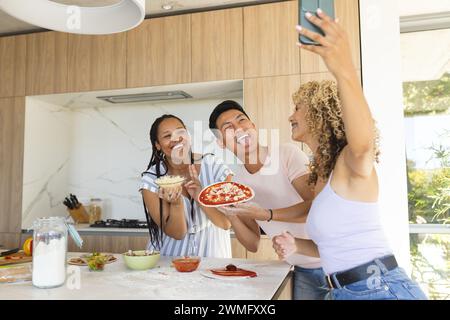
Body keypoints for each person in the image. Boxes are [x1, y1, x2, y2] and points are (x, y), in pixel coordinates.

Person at [272, 9, 427, 300]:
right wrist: (296, 245)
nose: (290, 115)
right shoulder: (323, 177)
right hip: (346, 292)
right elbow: (334, 246)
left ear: (319, 113)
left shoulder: (350, 160)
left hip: (380, 290)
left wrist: (342, 67)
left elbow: (364, 143)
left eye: (298, 107)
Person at [209, 101, 328, 300]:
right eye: (228, 128)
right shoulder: (238, 181)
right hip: (295, 269)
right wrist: (232, 215)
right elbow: (253, 243)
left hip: (327, 265)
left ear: (253, 126)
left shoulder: (286, 154)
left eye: (242, 120)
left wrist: (266, 215)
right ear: (221, 142)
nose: (239, 129)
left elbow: (316, 208)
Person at [139, 114, 233, 258]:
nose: (176, 139)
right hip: (169, 260)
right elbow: (177, 233)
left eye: (180, 132)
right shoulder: (152, 180)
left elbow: (226, 223)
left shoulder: (215, 167)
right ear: (157, 145)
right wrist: (176, 204)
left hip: (213, 258)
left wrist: (201, 196)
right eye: (167, 136)